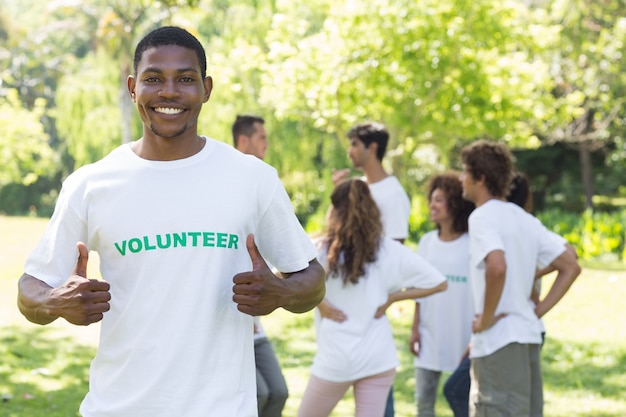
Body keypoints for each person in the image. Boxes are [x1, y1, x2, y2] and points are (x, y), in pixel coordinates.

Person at [17, 26, 325, 417]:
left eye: (185, 79)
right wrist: (55, 300)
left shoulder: (252, 178)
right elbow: (29, 291)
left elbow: (313, 280)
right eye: (153, 79)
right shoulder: (91, 183)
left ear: (206, 88)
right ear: (132, 88)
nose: (169, 92)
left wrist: (282, 294)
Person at [297, 179, 448, 417]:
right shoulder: (389, 249)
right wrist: (393, 297)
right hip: (378, 358)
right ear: (372, 209)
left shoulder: (321, 248)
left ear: (335, 210)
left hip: (337, 357)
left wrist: (319, 301)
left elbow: (283, 274)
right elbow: (439, 283)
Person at [459, 140, 581, 417]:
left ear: (481, 178)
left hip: (497, 341)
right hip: (527, 337)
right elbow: (570, 263)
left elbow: (497, 267)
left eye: (465, 172)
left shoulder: (482, 217)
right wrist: (536, 310)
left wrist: (487, 318)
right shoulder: (524, 218)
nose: (460, 179)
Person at [333, 121, 411, 416]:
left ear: (372, 148)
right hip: (347, 293)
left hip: (371, 300)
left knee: (374, 376)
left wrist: (381, 296)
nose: (350, 150)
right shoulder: (358, 189)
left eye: (355, 144)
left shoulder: (393, 193)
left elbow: (396, 251)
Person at [233, 113, 288, 417]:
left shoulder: (263, 185)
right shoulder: (225, 186)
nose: (267, 144)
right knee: (259, 393)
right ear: (244, 141)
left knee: (277, 392)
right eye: (262, 138)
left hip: (255, 318)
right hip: (232, 316)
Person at [410, 172, 475, 417]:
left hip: (463, 333)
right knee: (423, 403)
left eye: (439, 200)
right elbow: (419, 288)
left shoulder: (472, 242)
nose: (432, 205)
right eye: (431, 199)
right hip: (429, 333)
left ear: (456, 205)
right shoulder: (426, 242)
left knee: (464, 400)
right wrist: (414, 328)